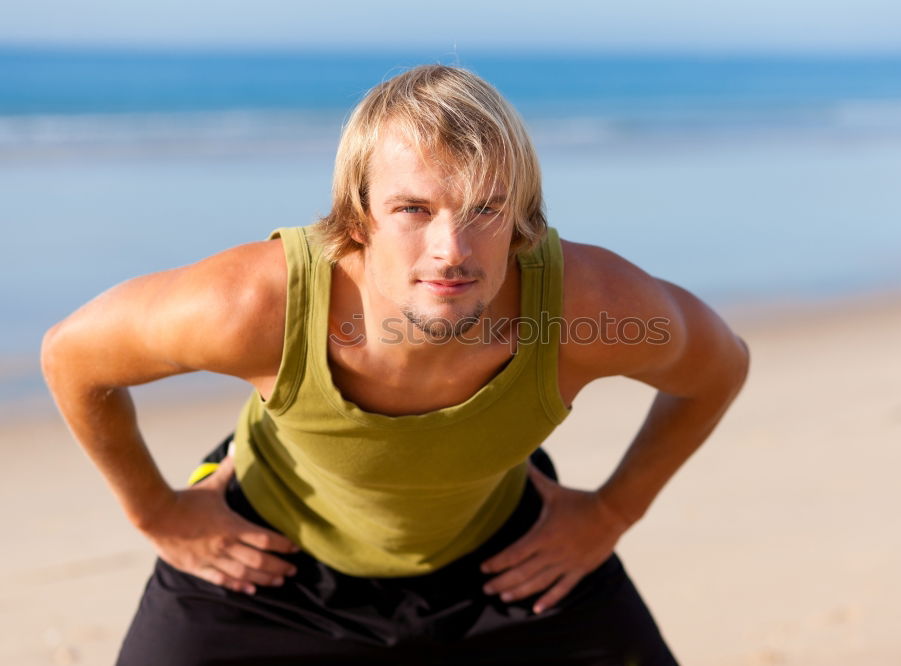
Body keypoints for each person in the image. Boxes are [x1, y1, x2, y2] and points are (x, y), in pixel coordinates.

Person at [41, 64, 749, 665]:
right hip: (267, 555)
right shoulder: (253, 307)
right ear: (357, 217)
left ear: (522, 214)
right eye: (413, 208)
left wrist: (611, 512)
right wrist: (159, 512)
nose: (452, 250)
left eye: (485, 209)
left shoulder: (588, 308)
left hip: (504, 554)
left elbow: (720, 367)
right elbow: (73, 355)